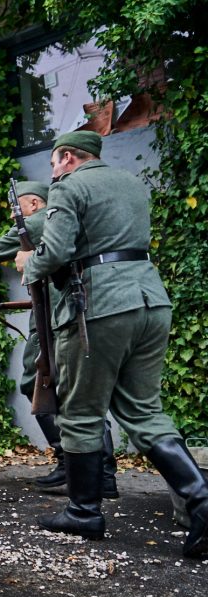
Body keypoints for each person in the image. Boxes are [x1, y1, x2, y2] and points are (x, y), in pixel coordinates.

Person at [16, 130, 208, 556]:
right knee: (144, 409)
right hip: (151, 301)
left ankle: (84, 512)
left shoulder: (69, 186)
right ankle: (202, 502)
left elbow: (56, 251)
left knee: (81, 410)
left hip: (99, 306)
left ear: (67, 157)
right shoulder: (131, 183)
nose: (51, 172)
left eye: (53, 163)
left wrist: (30, 262)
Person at [0, 182, 118, 496]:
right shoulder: (64, 224)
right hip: (55, 308)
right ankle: (92, 471)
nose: (15, 219)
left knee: (45, 385)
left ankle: (81, 467)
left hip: (56, 315)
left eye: (19, 209)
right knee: (64, 389)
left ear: (34, 205)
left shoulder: (43, 222)